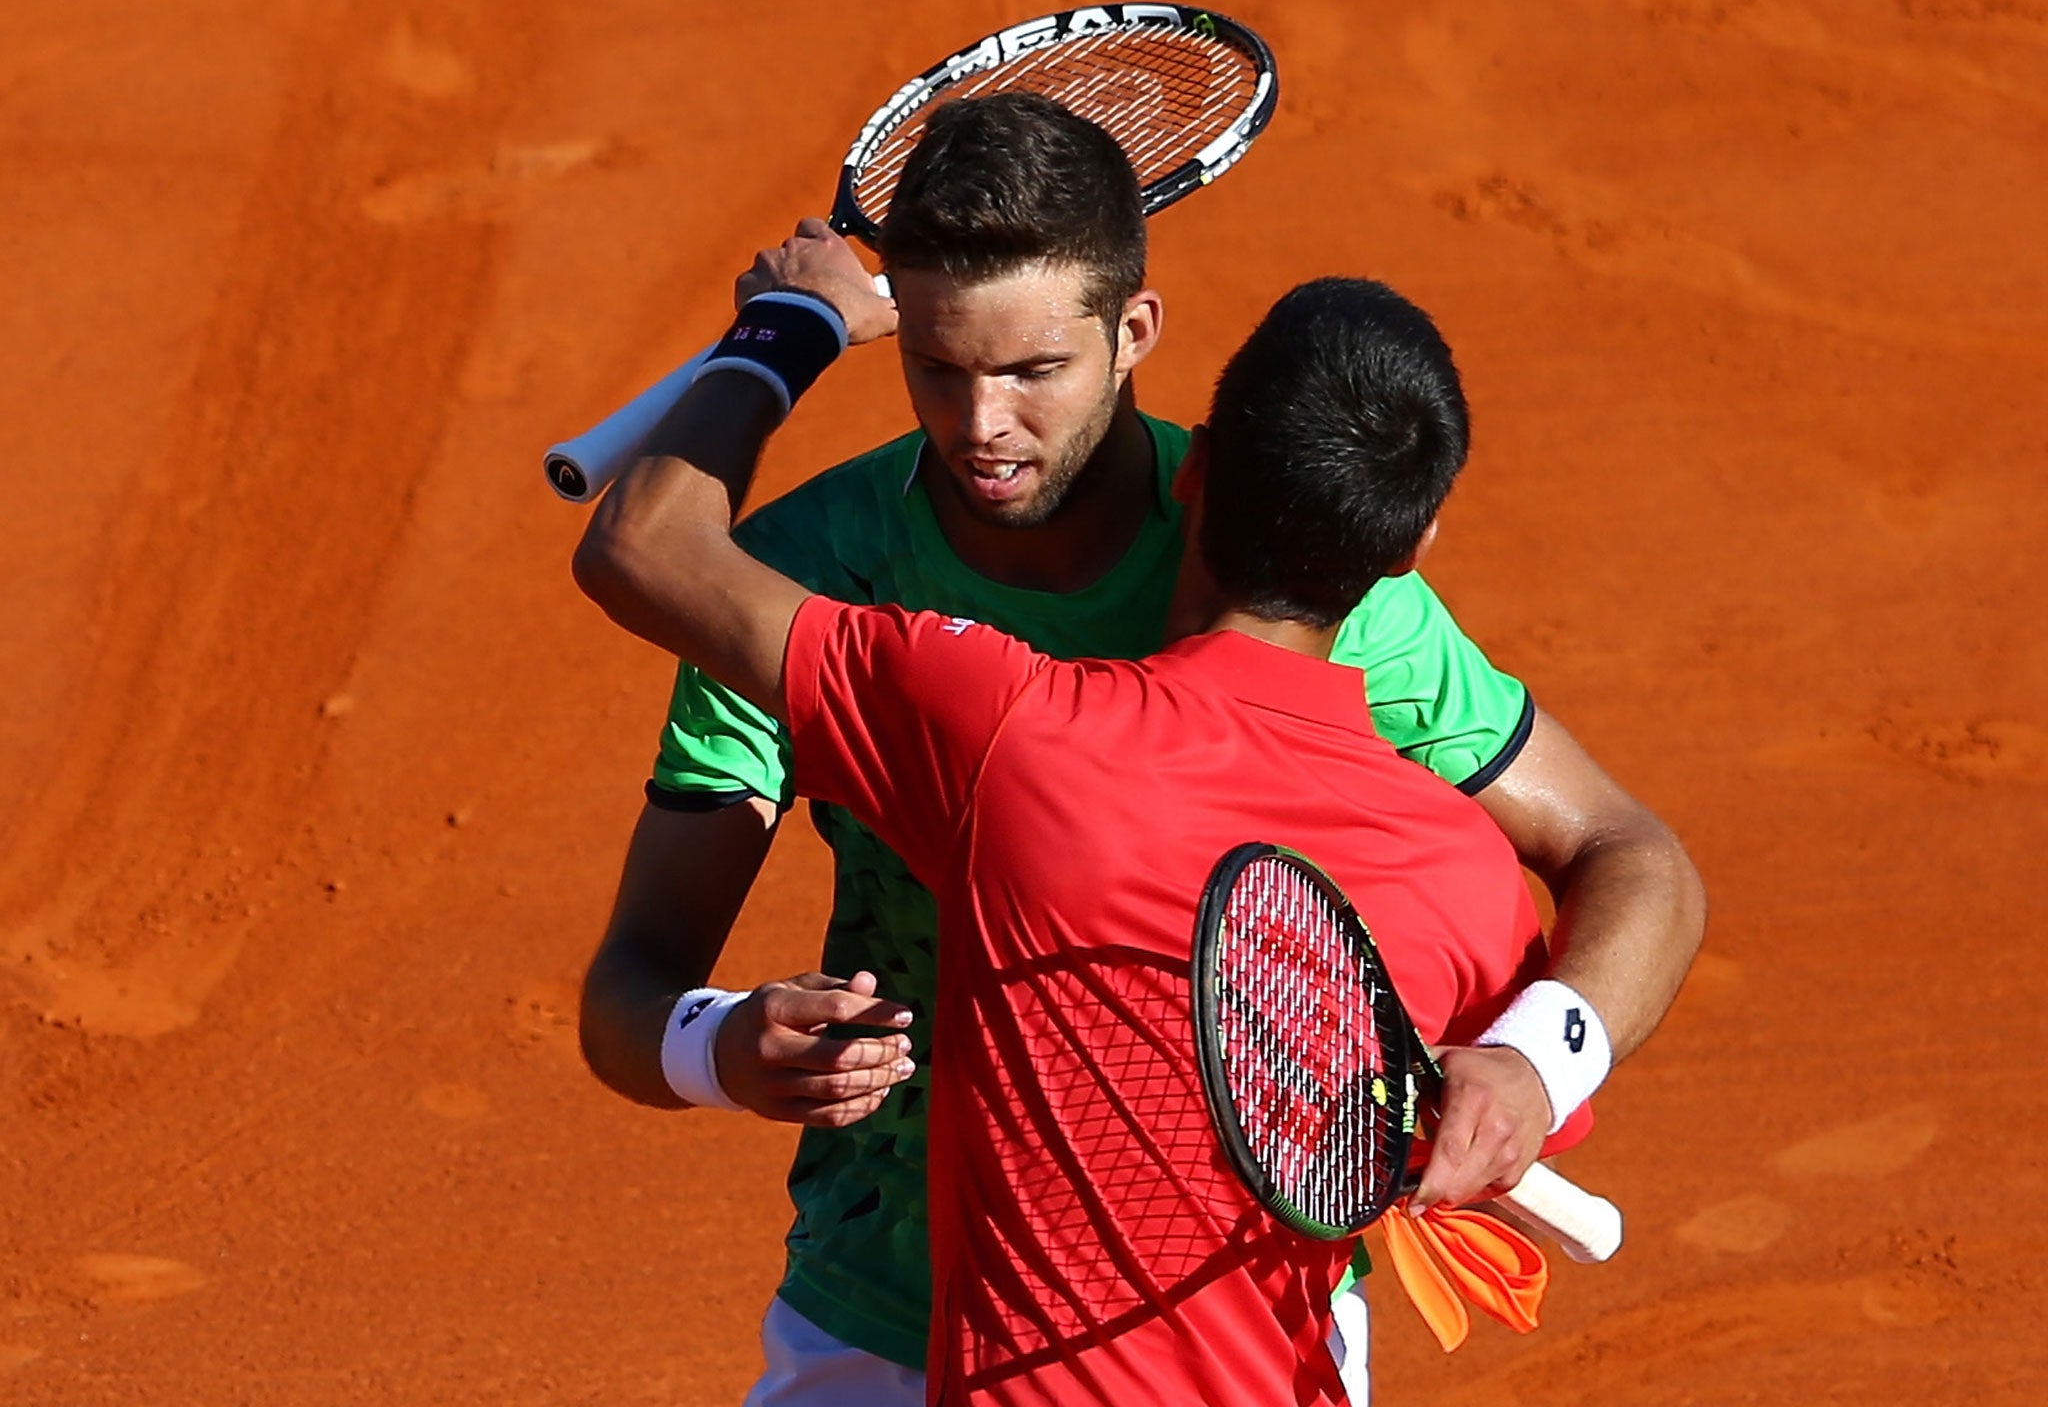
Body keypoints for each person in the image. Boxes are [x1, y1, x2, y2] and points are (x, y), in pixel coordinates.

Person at [574, 95, 1705, 1404]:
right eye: (939, 367)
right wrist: (715, 1047)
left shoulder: (1300, 561)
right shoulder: (814, 574)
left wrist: (1533, 1060)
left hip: (1251, 1312)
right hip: (885, 1299)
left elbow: (1632, 853)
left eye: (1032, 372)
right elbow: (630, 989)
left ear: (1135, 334)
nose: (982, 424)